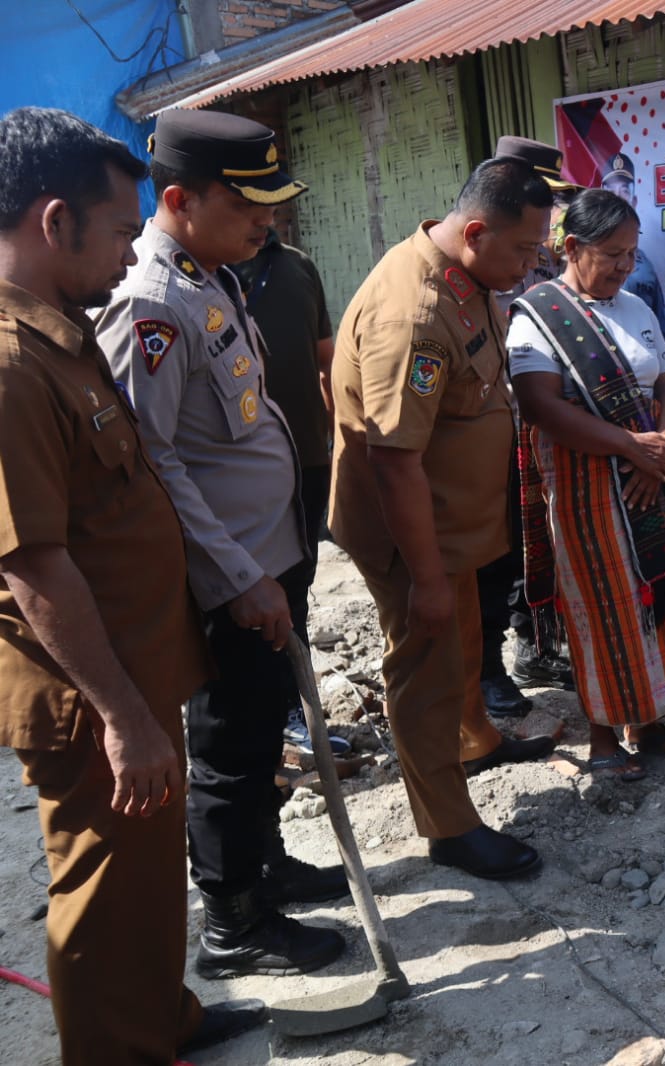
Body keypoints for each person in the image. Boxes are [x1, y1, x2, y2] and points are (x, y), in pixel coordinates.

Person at [0, 105, 263, 1065]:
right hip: (91, 694)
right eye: (119, 232)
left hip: (134, 669)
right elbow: (34, 563)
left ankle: (161, 1020)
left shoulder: (62, 335)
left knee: (148, 881)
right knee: (104, 893)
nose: (130, 253)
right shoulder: (11, 367)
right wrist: (122, 716)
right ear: (55, 221)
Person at [95, 109, 347, 979]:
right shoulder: (153, 302)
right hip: (229, 572)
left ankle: (263, 866)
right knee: (231, 749)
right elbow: (152, 459)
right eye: (249, 208)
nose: (266, 223)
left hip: (267, 553)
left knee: (259, 729)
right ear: (179, 199)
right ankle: (234, 923)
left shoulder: (213, 272)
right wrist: (240, 577)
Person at [330, 154, 555, 879]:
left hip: (453, 526)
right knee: (425, 668)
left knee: (458, 646)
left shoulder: (468, 275)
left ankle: (476, 737)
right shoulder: (415, 312)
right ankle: (448, 827)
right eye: (523, 250)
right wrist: (424, 577)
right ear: (477, 231)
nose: (530, 266)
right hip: (411, 535)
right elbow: (394, 462)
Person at [510, 188, 665, 782]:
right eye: (613, 254)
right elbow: (539, 405)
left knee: (656, 590)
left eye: (632, 253)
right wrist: (629, 447)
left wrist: (663, 448)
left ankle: (650, 720)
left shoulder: (635, 309)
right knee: (598, 602)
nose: (626, 266)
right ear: (572, 247)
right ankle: (601, 733)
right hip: (584, 485)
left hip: (650, 473)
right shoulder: (538, 314)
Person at [229, 226, 354, 761]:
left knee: (296, 587)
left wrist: (336, 442)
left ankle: (292, 714)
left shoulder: (296, 267)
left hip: (304, 461)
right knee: (242, 598)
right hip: (235, 477)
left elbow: (327, 360)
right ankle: (254, 723)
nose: (263, 212)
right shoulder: (200, 275)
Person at [478, 136, 576, 717]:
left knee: (527, 546)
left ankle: (531, 644)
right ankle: (490, 669)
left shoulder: (540, 258)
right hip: (492, 433)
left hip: (531, 428)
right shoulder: (487, 254)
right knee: (493, 558)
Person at [599, 152, 665, 348]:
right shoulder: (583, 256)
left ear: (634, 201)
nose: (617, 199)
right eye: (610, 191)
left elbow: (661, 331)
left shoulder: (644, 266)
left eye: (624, 191)